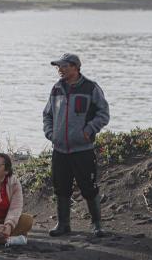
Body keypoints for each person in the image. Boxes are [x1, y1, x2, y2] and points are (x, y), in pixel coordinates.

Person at [43, 53, 110, 237]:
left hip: (83, 150)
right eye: (58, 67)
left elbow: (103, 114)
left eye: (63, 66)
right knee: (61, 187)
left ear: (75, 67)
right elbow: (47, 115)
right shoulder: (56, 88)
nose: (60, 70)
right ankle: (63, 224)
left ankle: (96, 225)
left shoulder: (91, 88)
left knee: (89, 187)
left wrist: (88, 130)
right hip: (59, 150)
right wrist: (50, 134)